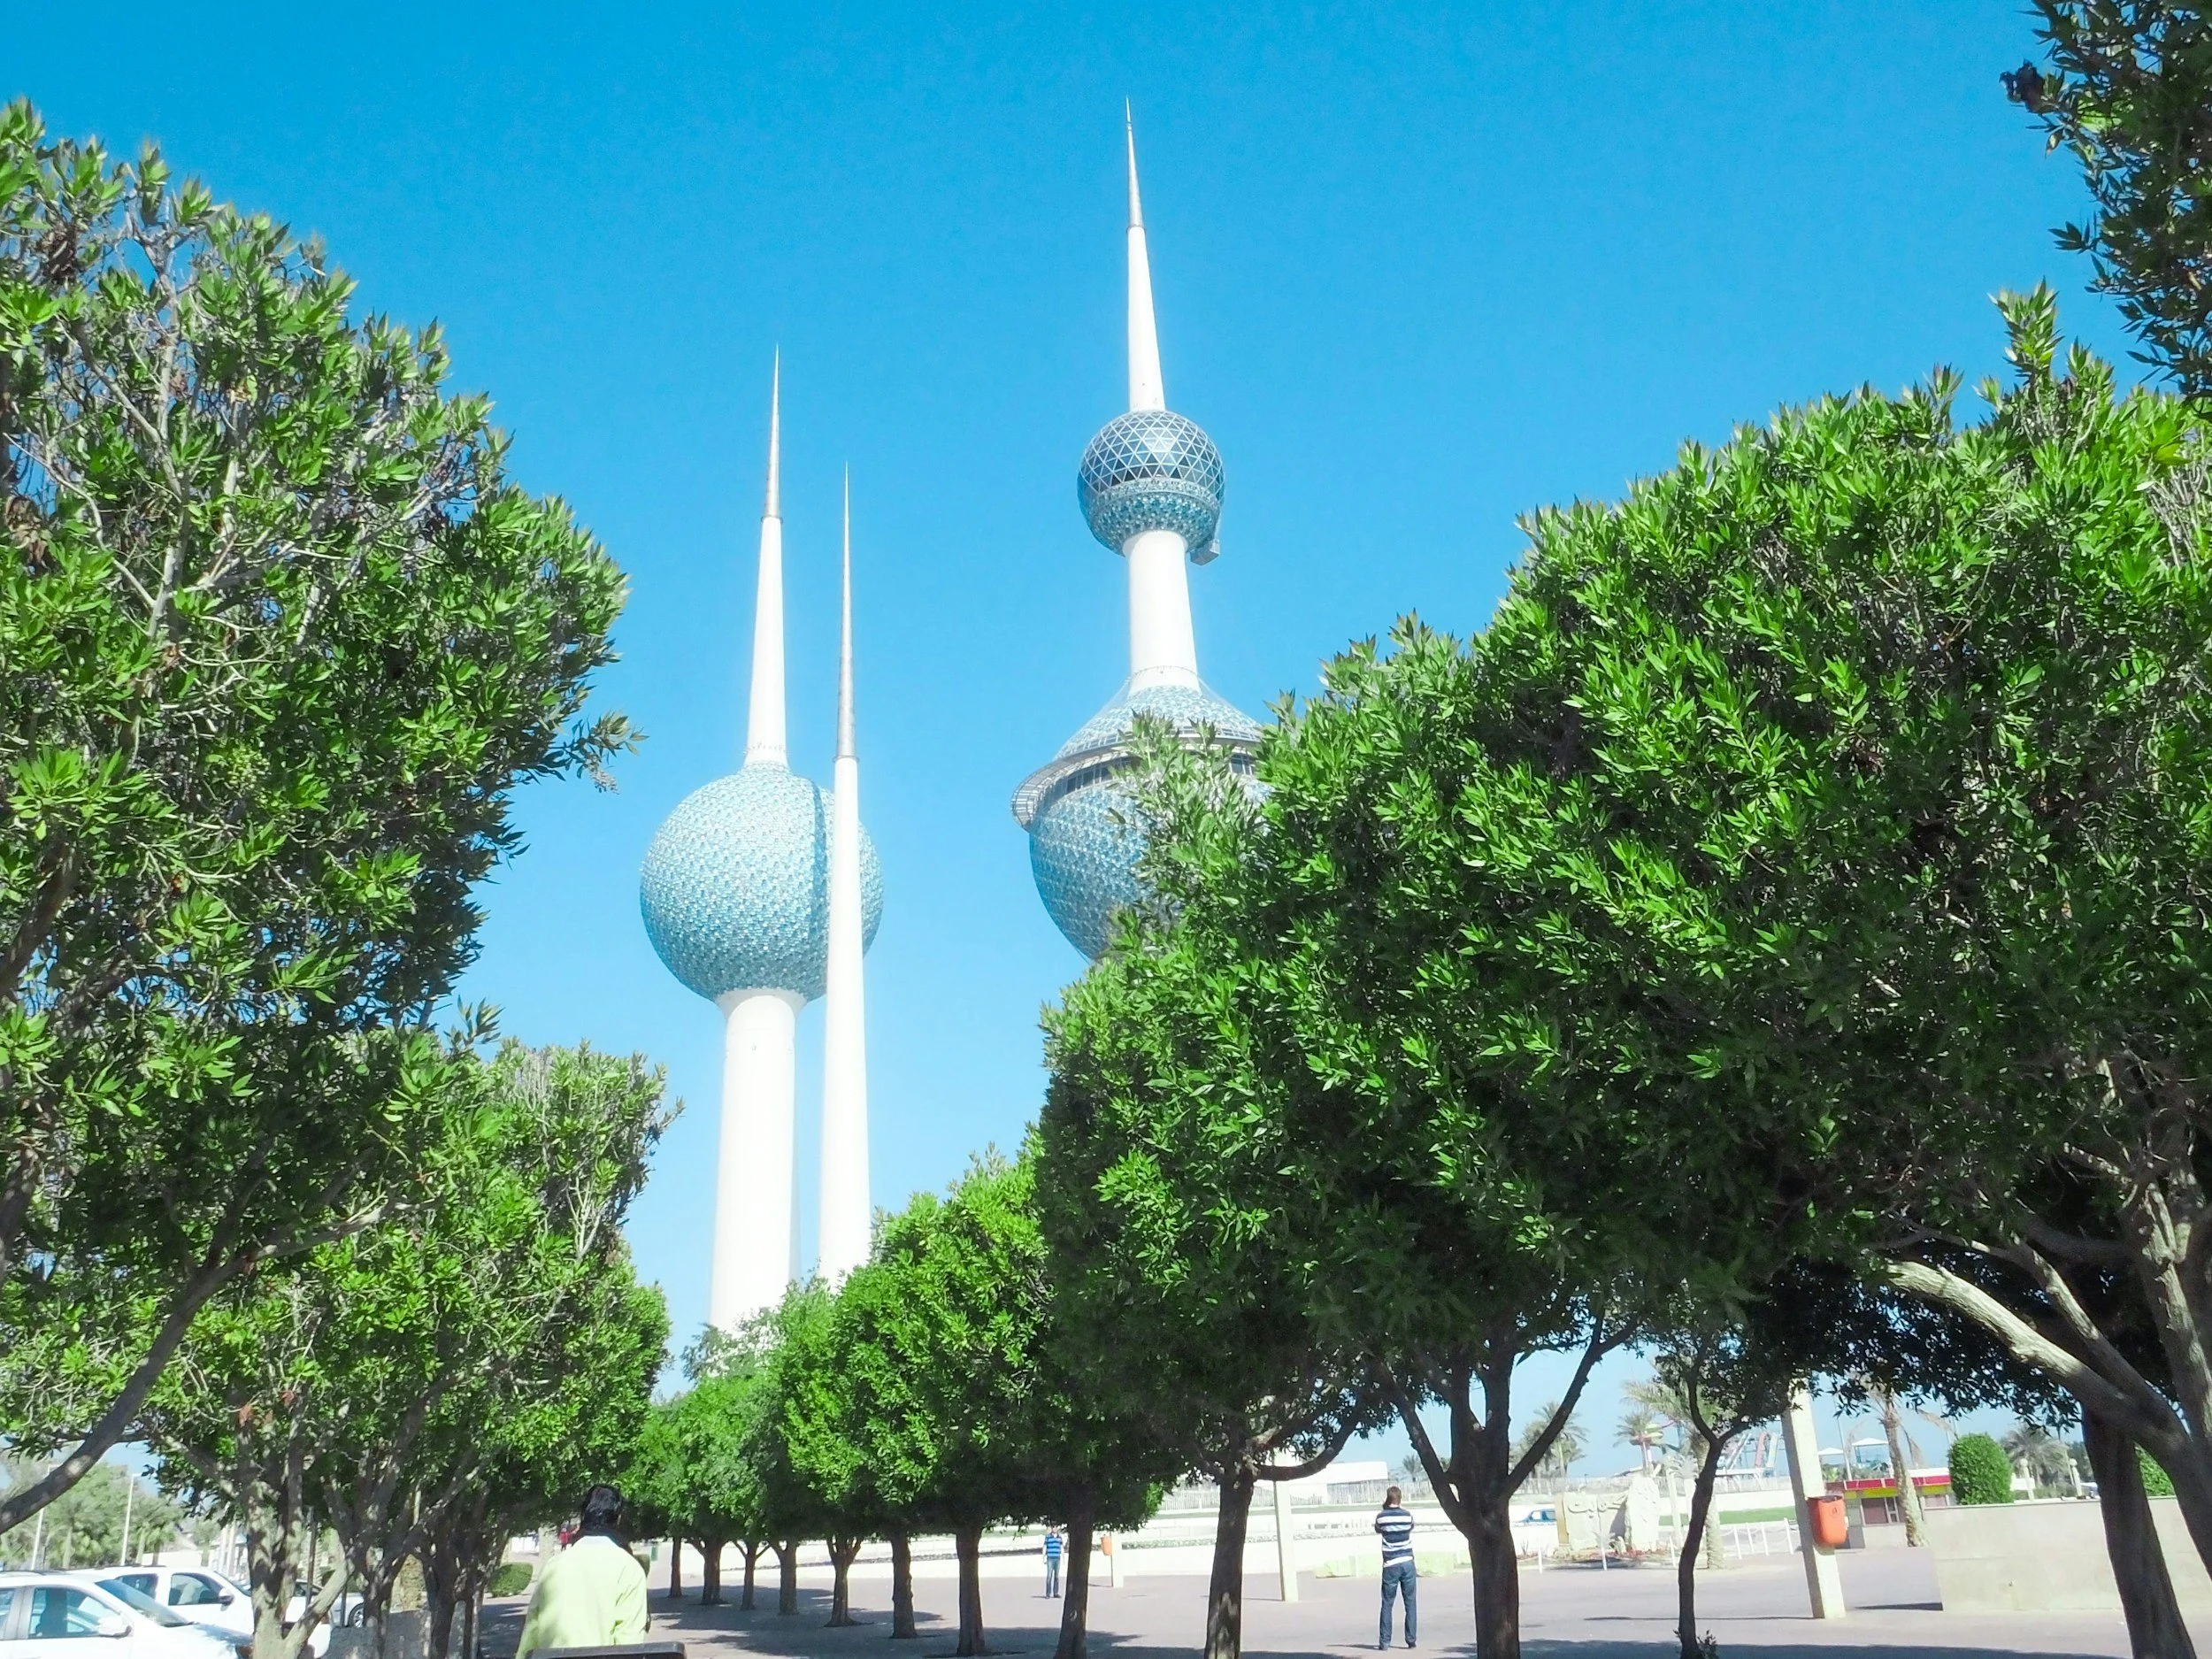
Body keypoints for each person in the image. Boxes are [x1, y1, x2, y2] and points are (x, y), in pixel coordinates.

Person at [517, 1485, 649, 1658]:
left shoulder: (553, 1565)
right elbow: (629, 1645)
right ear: (618, 1519)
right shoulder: (629, 1569)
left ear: (582, 1517)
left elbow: (531, 1632)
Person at [1374, 1486, 1416, 1649]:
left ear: (1388, 1498)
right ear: (1400, 1498)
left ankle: (1385, 1642)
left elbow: (1378, 1530)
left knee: (1387, 1603)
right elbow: (1411, 1528)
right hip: (1407, 1561)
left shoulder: (1381, 1517)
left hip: (1390, 1564)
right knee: (1410, 1602)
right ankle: (1411, 1639)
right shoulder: (1407, 1516)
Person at [1042, 1525, 1064, 1598]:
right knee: (1049, 1576)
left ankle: (1056, 1593)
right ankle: (1048, 1593)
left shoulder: (1059, 1537)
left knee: (1056, 1576)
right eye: (1053, 1527)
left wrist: (1063, 1557)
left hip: (1057, 1558)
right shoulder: (1048, 1537)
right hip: (1050, 1558)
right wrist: (1043, 1557)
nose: (1054, 1529)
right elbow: (1045, 1547)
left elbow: (1061, 1547)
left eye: (1056, 1527)